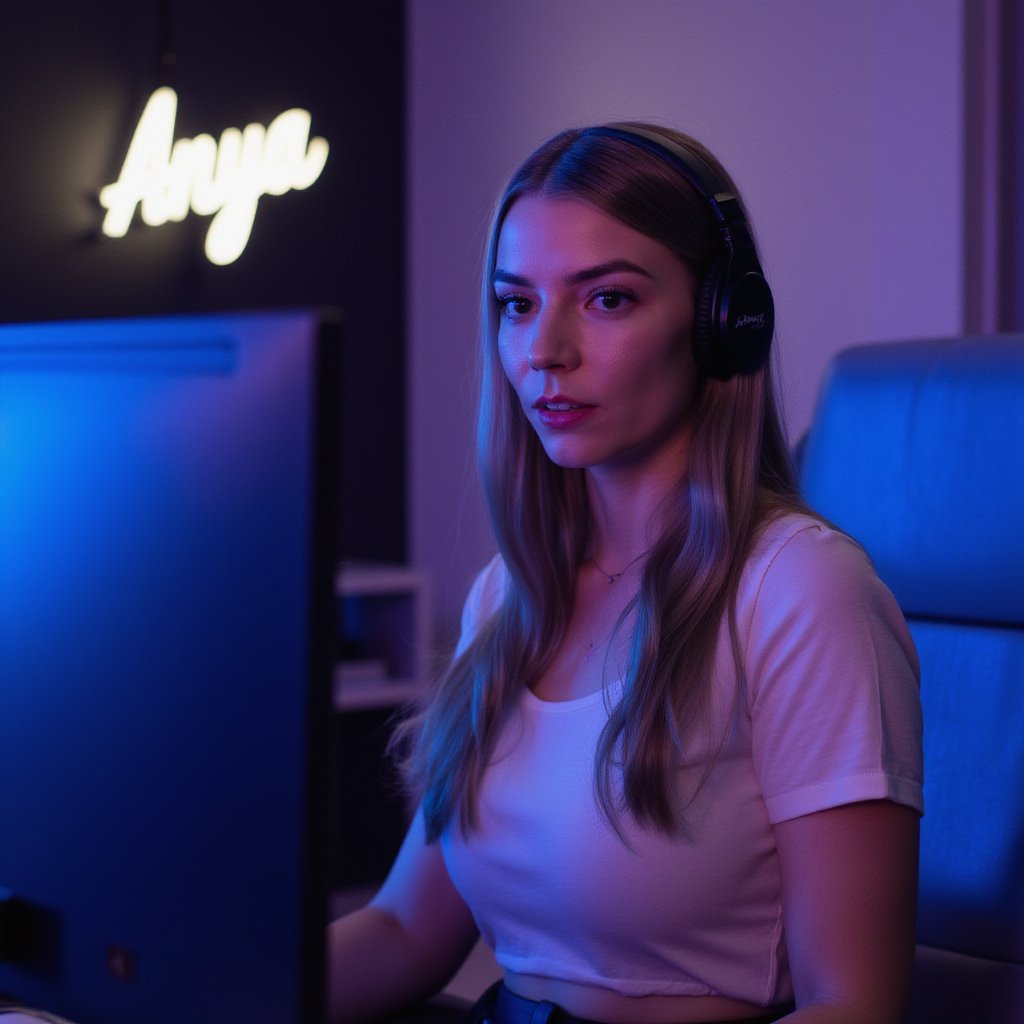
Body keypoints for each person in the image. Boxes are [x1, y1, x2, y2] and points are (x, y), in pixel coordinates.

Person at [329, 123, 923, 1024]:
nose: (544, 351)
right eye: (516, 304)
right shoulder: (511, 594)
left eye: (606, 300)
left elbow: (857, 1005)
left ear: (724, 323)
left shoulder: (802, 593)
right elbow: (408, 932)